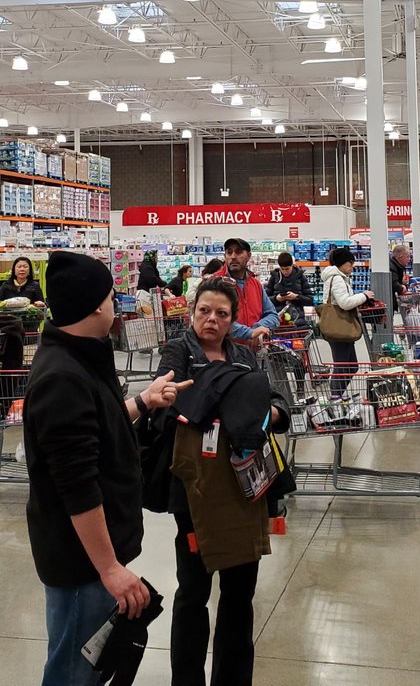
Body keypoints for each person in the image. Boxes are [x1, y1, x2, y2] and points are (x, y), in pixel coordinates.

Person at [23, 251, 188, 686]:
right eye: (113, 296)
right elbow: (77, 486)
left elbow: (98, 428)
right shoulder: (62, 378)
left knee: (90, 670)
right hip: (83, 566)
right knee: (74, 673)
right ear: (96, 305)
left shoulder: (80, 356)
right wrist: (110, 568)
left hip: (93, 559)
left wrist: (143, 402)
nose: (117, 304)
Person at [154, 276, 290, 686]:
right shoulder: (178, 352)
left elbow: (275, 400)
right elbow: (164, 409)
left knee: (239, 594)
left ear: (233, 320)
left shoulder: (244, 355)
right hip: (194, 491)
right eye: (204, 311)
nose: (211, 319)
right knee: (193, 592)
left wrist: (271, 414)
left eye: (221, 313)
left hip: (244, 488)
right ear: (192, 312)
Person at [320, 247, 376, 399]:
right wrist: (364, 296)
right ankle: (335, 396)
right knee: (342, 365)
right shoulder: (337, 279)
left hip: (341, 327)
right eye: (350, 263)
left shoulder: (340, 278)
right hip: (338, 327)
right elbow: (344, 303)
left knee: (351, 365)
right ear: (341, 263)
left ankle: (338, 394)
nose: (352, 266)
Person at [216, 238, 279, 347]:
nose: (233, 256)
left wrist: (258, 328)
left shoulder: (255, 284)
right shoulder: (216, 283)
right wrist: (249, 333)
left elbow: (272, 315)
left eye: (238, 252)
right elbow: (218, 319)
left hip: (253, 352)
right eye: (229, 252)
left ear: (249, 256)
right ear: (225, 256)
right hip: (224, 351)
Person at [265, 251, 314, 325]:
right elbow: (265, 300)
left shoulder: (301, 277)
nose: (285, 272)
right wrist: (276, 298)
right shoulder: (274, 278)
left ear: (292, 265)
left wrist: (296, 297)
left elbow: (310, 300)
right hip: (278, 320)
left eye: (287, 269)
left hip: (298, 321)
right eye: (282, 269)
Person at [390, 244, 410, 312]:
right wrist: (401, 288)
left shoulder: (397, 266)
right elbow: (394, 283)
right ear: (400, 257)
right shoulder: (392, 267)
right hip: (387, 301)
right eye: (407, 257)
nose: (409, 259)